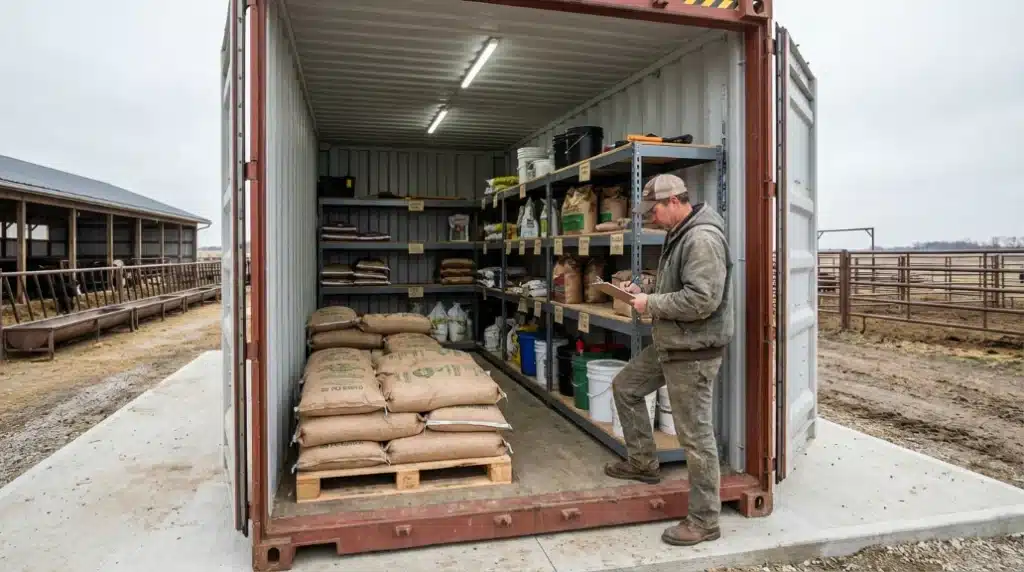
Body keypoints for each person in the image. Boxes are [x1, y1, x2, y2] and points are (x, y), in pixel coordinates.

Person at [604, 173, 733, 547]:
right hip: (672, 343)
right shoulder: (679, 234)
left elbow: (702, 300)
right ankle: (643, 463)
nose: (651, 218)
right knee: (626, 387)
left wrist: (651, 304)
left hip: (693, 352)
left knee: (695, 437)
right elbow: (677, 286)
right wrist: (642, 289)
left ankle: (705, 519)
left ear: (675, 201)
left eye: (655, 210)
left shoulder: (702, 238)